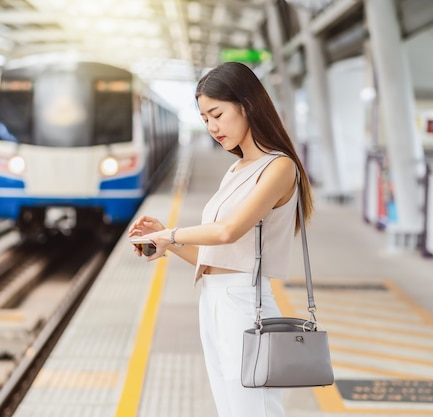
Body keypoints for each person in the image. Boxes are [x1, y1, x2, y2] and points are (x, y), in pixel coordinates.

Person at [128, 62, 313, 417]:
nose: (212, 127)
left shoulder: (280, 167)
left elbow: (229, 231)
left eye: (217, 114)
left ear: (248, 105)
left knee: (254, 409)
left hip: (245, 302)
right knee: (231, 408)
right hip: (213, 300)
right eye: (204, 118)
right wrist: (168, 242)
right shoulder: (236, 167)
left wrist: (170, 233)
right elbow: (216, 255)